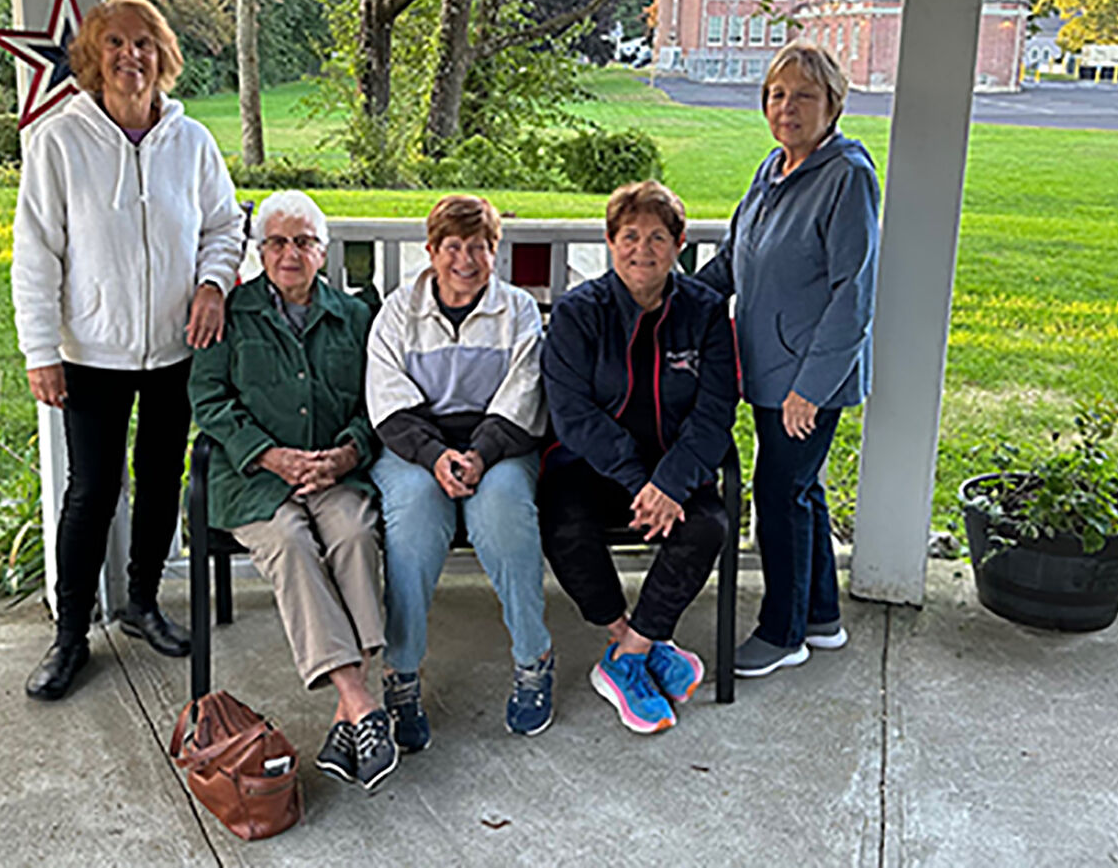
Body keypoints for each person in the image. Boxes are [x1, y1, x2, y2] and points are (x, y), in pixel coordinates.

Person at [12, 0, 243, 701]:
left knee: (159, 478)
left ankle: (142, 602)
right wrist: (40, 348)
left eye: (144, 43)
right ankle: (72, 634)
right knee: (91, 490)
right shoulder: (60, 141)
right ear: (93, 55)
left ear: (162, 55)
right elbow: (35, 253)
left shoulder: (191, 142)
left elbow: (224, 227)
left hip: (176, 350)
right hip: (90, 352)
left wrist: (212, 285)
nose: (129, 55)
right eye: (114, 42)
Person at [189, 191, 397, 792]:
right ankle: (362, 697)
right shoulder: (232, 311)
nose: (289, 253)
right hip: (255, 477)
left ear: (323, 253)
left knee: (355, 532)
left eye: (303, 241)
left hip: (334, 469)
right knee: (289, 541)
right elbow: (209, 401)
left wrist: (348, 453)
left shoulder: (355, 317)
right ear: (260, 251)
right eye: (277, 242)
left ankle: (348, 715)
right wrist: (271, 455)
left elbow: (376, 402)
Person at [698, 42, 881, 678]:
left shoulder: (846, 177)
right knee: (803, 491)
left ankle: (782, 632)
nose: (787, 107)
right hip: (771, 369)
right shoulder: (772, 169)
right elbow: (734, 258)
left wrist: (812, 387)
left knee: (778, 495)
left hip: (808, 379)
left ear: (833, 104)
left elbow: (852, 291)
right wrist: (674, 294)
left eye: (803, 96)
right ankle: (821, 616)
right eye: (777, 95)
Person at [540, 180, 737, 734]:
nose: (642, 249)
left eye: (657, 236)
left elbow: (715, 412)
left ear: (678, 245)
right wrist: (637, 481)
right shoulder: (580, 312)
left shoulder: (704, 312)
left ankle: (631, 652)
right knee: (564, 527)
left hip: (675, 464)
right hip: (591, 465)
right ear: (609, 241)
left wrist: (670, 485)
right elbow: (573, 415)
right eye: (629, 236)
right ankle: (627, 634)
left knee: (707, 527)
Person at [365, 195, 554, 749]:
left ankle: (533, 654)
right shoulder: (399, 311)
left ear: (496, 251)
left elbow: (525, 394)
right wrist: (434, 456)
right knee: (417, 517)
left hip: (498, 444)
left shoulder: (517, 310)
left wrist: (479, 454)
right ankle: (401, 672)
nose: (465, 260)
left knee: (501, 511)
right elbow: (386, 399)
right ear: (431, 251)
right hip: (416, 448)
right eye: (452, 247)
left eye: (479, 247)